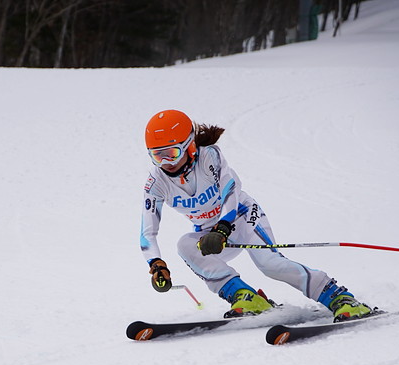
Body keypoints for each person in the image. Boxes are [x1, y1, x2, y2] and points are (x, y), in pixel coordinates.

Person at [140, 109, 373, 321]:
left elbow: (231, 190)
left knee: (270, 264)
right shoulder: (156, 183)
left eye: (171, 153)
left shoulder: (209, 157)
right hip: (211, 235)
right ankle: (246, 297)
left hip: (241, 218)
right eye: (157, 156)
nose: (166, 163)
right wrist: (156, 263)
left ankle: (340, 298)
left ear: (190, 145)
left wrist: (223, 227)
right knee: (185, 245)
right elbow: (147, 232)